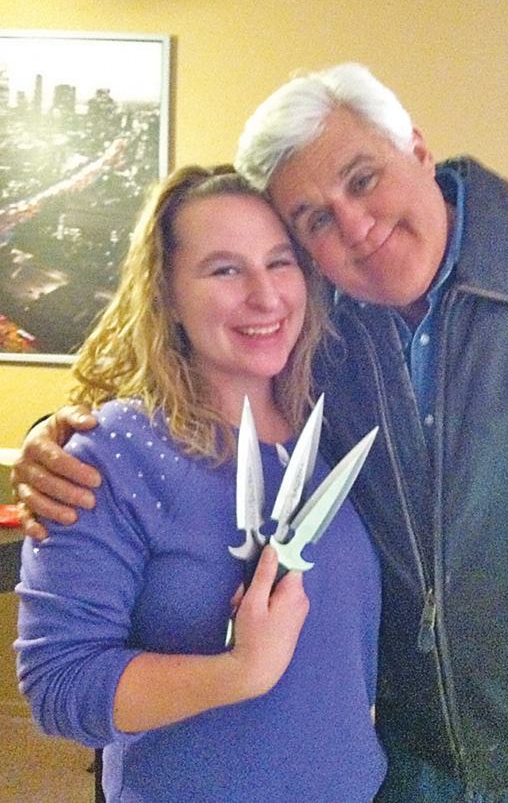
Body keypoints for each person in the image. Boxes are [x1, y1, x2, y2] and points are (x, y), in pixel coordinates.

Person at [12, 64, 508, 801]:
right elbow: (62, 676)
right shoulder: (313, 339)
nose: (354, 225)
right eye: (314, 220)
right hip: (408, 770)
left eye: (363, 178)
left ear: (417, 150)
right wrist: (52, 438)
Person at [14, 164, 386, 803]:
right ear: (167, 297)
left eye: (280, 262)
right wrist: (239, 673)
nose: (265, 297)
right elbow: (59, 686)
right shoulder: (111, 454)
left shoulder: (336, 432)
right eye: (225, 269)